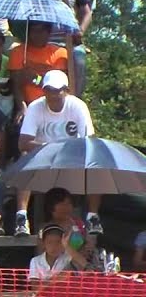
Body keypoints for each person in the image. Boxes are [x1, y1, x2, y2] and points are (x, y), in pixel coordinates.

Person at [15, 70, 97, 236]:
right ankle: (21, 218)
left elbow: (90, 141)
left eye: (57, 90)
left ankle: (93, 218)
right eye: (49, 90)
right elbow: (23, 143)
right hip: (43, 159)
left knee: (96, 165)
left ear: (66, 90)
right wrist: (51, 147)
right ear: (44, 90)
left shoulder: (78, 106)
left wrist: (67, 151)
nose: (53, 94)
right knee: (24, 159)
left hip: (72, 160)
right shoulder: (35, 107)